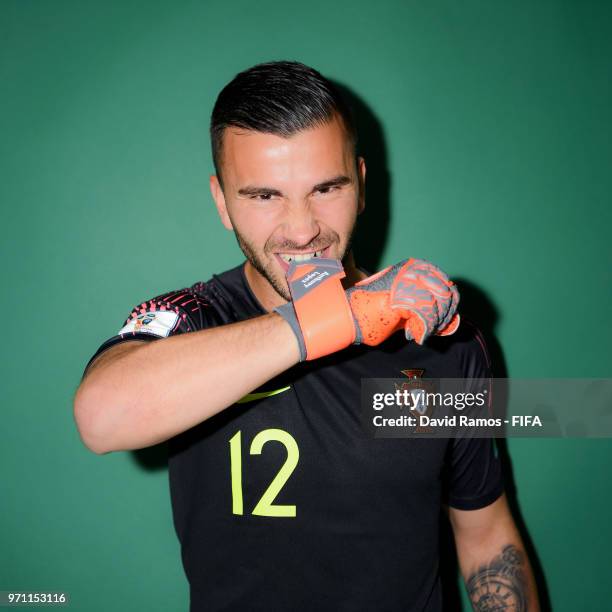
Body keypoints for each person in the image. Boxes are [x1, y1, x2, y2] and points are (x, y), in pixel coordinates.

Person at [74, 61, 540, 611]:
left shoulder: (440, 339)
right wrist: (328, 321)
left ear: (362, 185)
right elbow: (102, 419)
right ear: (222, 202)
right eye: (264, 196)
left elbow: (485, 535)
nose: (302, 229)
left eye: (325, 188)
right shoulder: (192, 317)